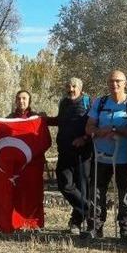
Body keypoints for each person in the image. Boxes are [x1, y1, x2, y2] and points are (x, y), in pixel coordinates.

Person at [84, 70, 127, 243]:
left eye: (118, 81)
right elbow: (89, 127)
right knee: (96, 193)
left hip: (125, 159)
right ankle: (94, 228)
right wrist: (98, 131)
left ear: (125, 83)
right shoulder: (100, 103)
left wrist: (116, 130)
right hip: (101, 157)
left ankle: (125, 232)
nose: (114, 84)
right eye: (111, 81)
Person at [45, 78, 93, 235]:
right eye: (68, 86)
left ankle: (76, 223)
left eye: (74, 86)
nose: (70, 89)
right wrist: (44, 120)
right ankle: (89, 209)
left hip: (83, 152)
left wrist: (84, 138)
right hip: (64, 150)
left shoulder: (88, 102)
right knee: (64, 184)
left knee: (82, 187)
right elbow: (60, 121)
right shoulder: (64, 103)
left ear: (80, 88)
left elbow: (95, 124)